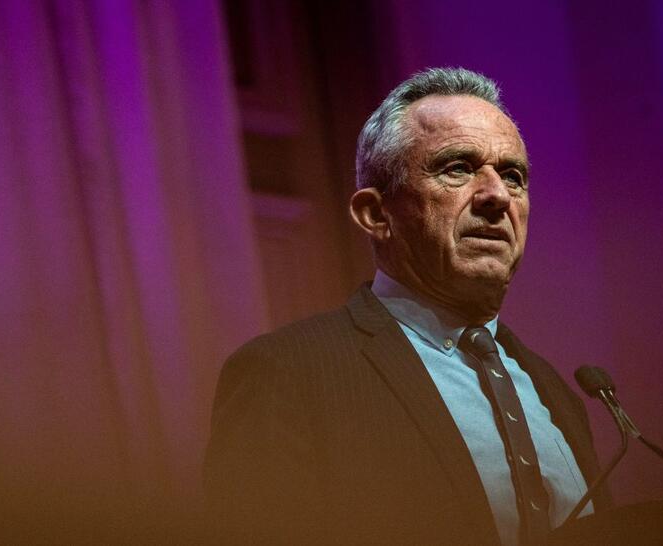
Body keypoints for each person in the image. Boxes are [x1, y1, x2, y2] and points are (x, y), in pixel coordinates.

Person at [203, 68, 610, 545]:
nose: (497, 196)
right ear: (376, 214)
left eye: (513, 176)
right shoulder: (288, 373)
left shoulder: (561, 397)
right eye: (457, 168)